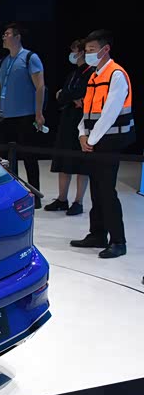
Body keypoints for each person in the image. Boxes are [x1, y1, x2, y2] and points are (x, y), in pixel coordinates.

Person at [70, 30, 135, 259]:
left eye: (91, 50)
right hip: (94, 141)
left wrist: (90, 140)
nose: (88, 54)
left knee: (107, 191)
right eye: (87, 50)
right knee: (96, 190)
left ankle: (118, 241)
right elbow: (87, 111)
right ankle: (97, 234)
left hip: (110, 141)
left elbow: (109, 113)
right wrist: (82, 134)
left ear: (105, 49)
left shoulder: (116, 75)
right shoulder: (94, 76)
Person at [0, 22, 46, 208]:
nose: (4, 37)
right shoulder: (2, 62)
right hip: (5, 117)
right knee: (6, 160)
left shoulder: (30, 58)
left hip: (26, 116)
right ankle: (12, 195)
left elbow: (40, 86)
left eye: (7, 34)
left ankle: (35, 196)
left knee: (29, 157)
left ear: (17, 37)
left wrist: (39, 113)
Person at [45, 39, 94, 215]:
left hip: (82, 122)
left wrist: (67, 95)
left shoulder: (91, 73)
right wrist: (68, 96)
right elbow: (61, 96)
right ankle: (62, 199)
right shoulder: (73, 74)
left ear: (81, 52)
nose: (72, 53)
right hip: (66, 120)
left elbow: (81, 95)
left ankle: (78, 202)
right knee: (63, 161)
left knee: (82, 164)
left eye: (75, 50)